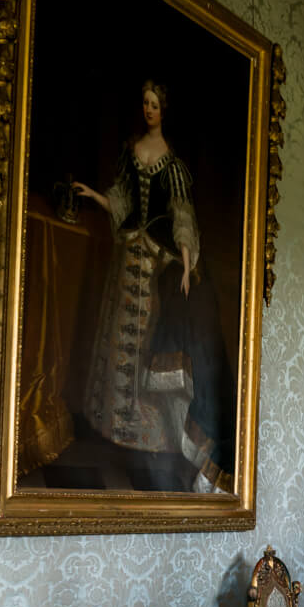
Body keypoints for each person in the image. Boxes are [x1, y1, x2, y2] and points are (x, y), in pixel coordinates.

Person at [72, 80, 233, 493]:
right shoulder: (132, 152)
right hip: (126, 258)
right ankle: (113, 422)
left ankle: (151, 437)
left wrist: (183, 264)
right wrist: (93, 195)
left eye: (155, 104)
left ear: (165, 110)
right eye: (144, 103)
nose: (148, 109)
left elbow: (182, 218)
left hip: (156, 263)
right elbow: (122, 202)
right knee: (116, 336)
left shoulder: (174, 167)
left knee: (149, 339)